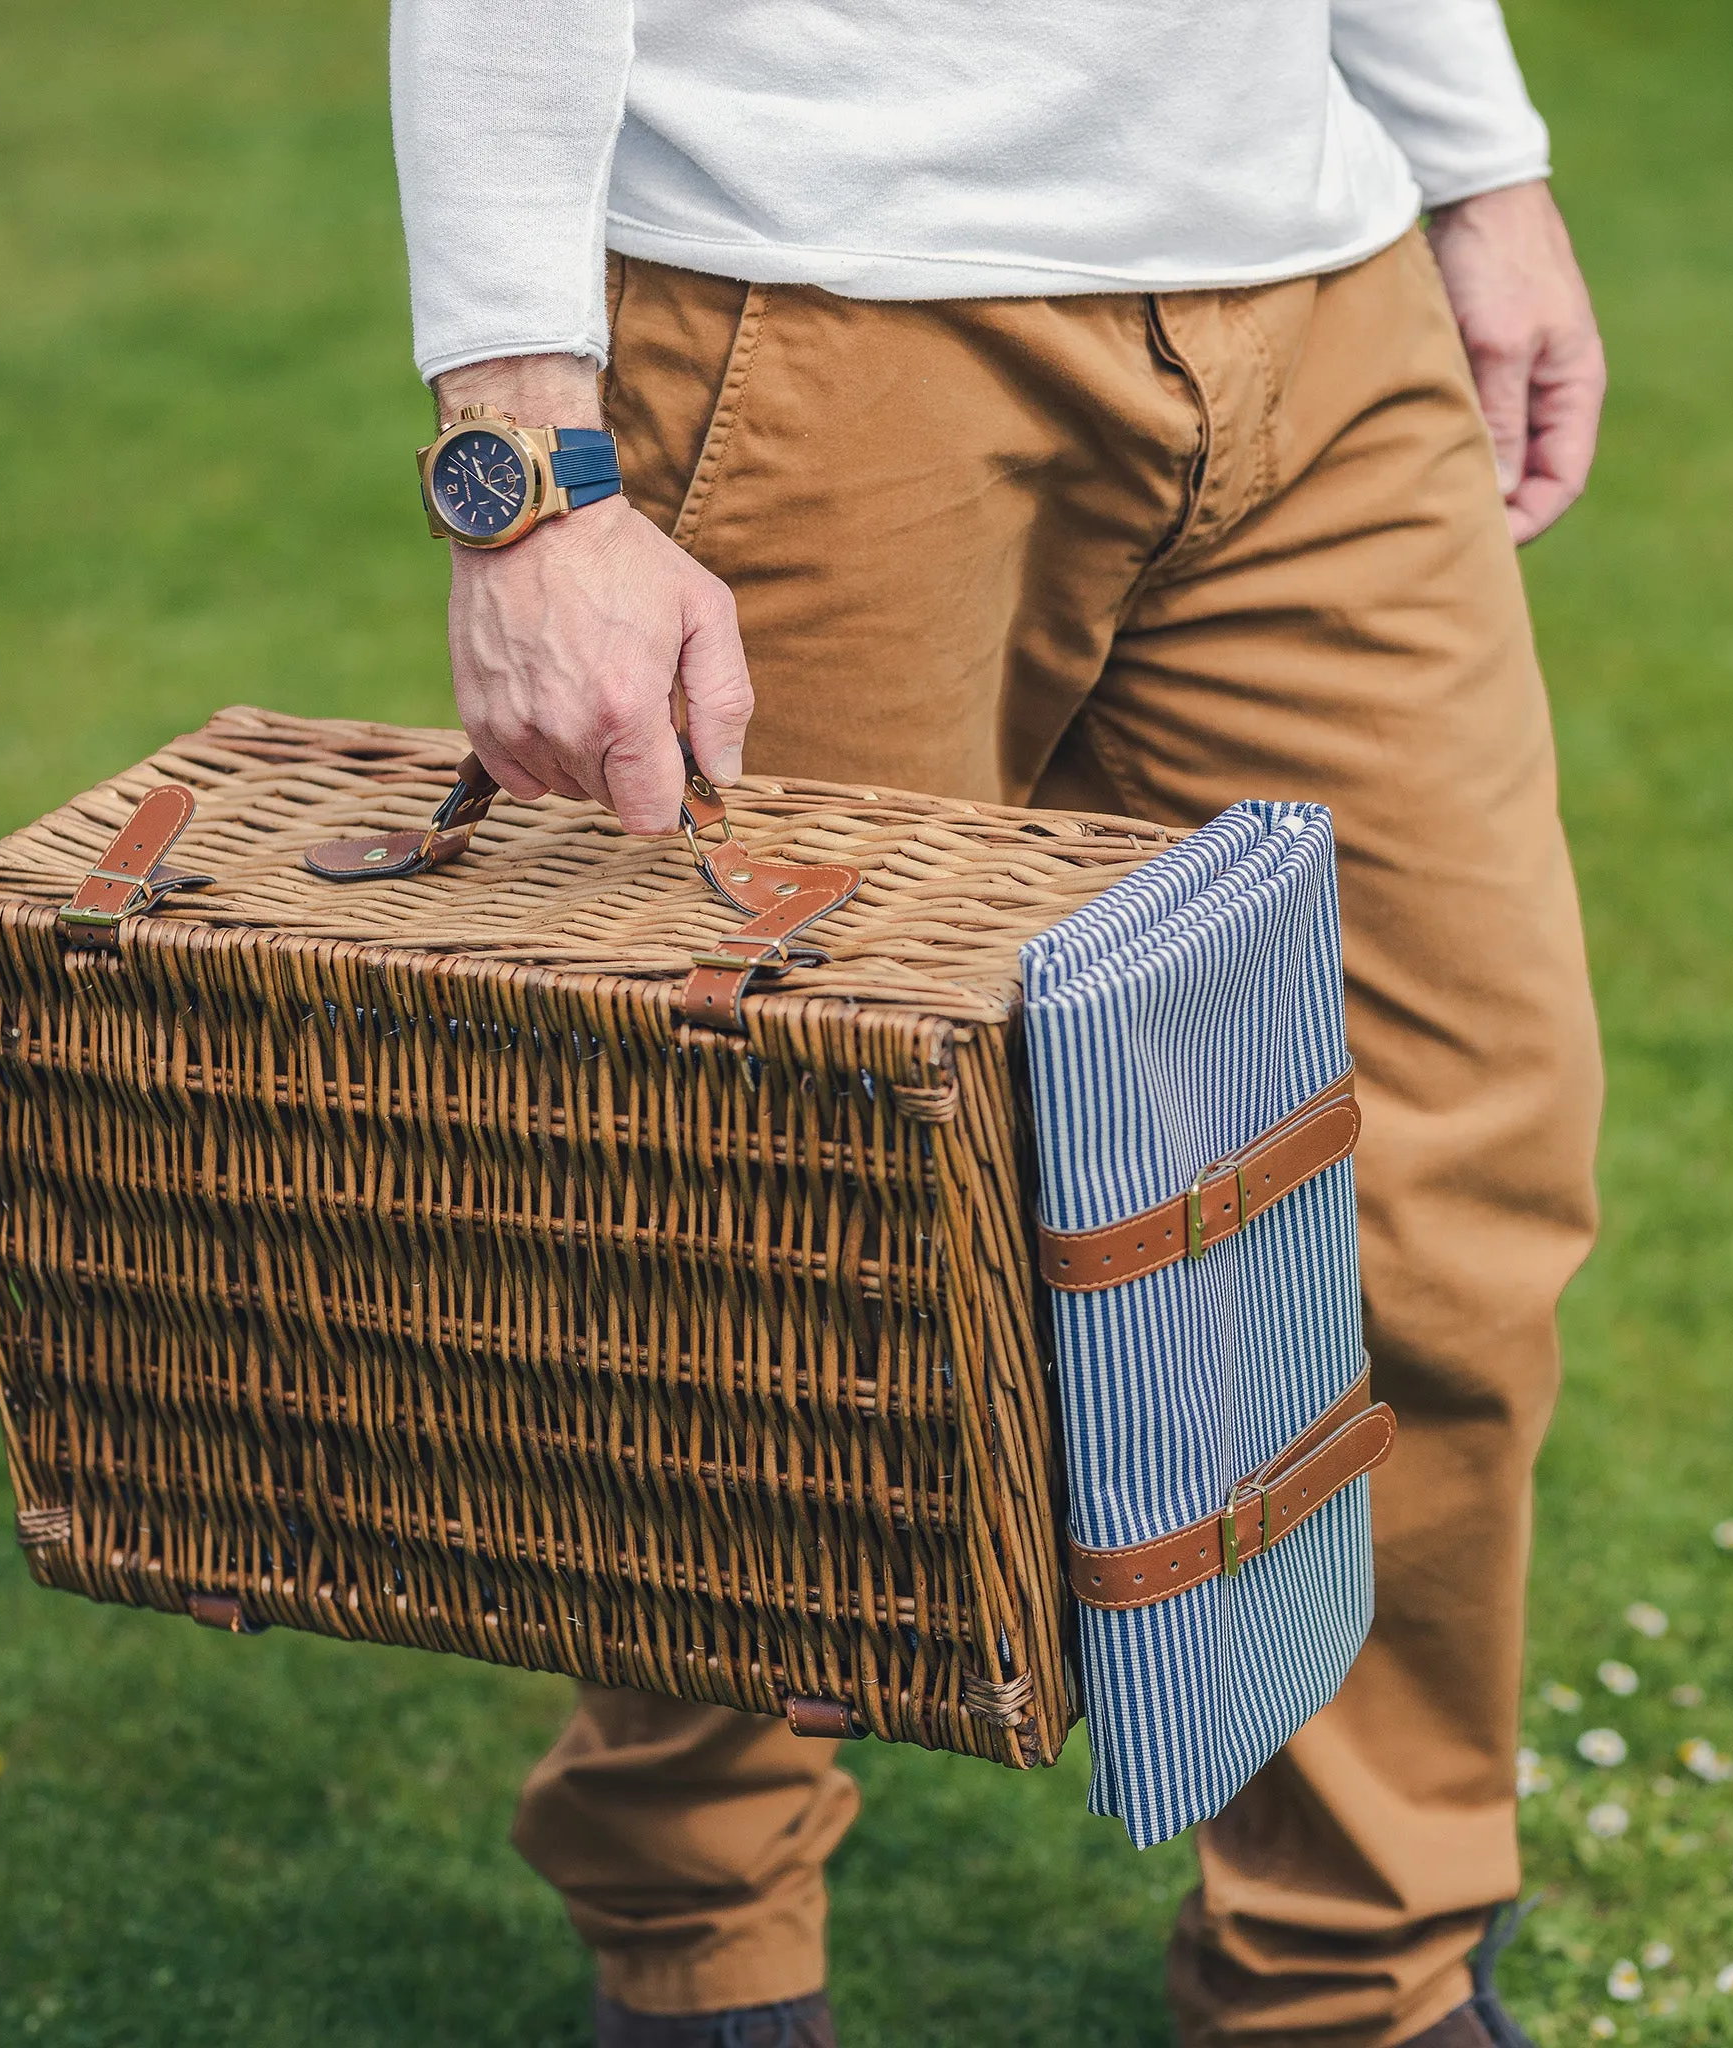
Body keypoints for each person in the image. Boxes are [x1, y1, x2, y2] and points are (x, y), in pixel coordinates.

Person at [387, 1, 1606, 2041]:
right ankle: (704, 1942)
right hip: (813, 298)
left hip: (1319, 292)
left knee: (1435, 1180)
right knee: (761, 1216)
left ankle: (1353, 1967)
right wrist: (524, 474)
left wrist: (1477, 161)